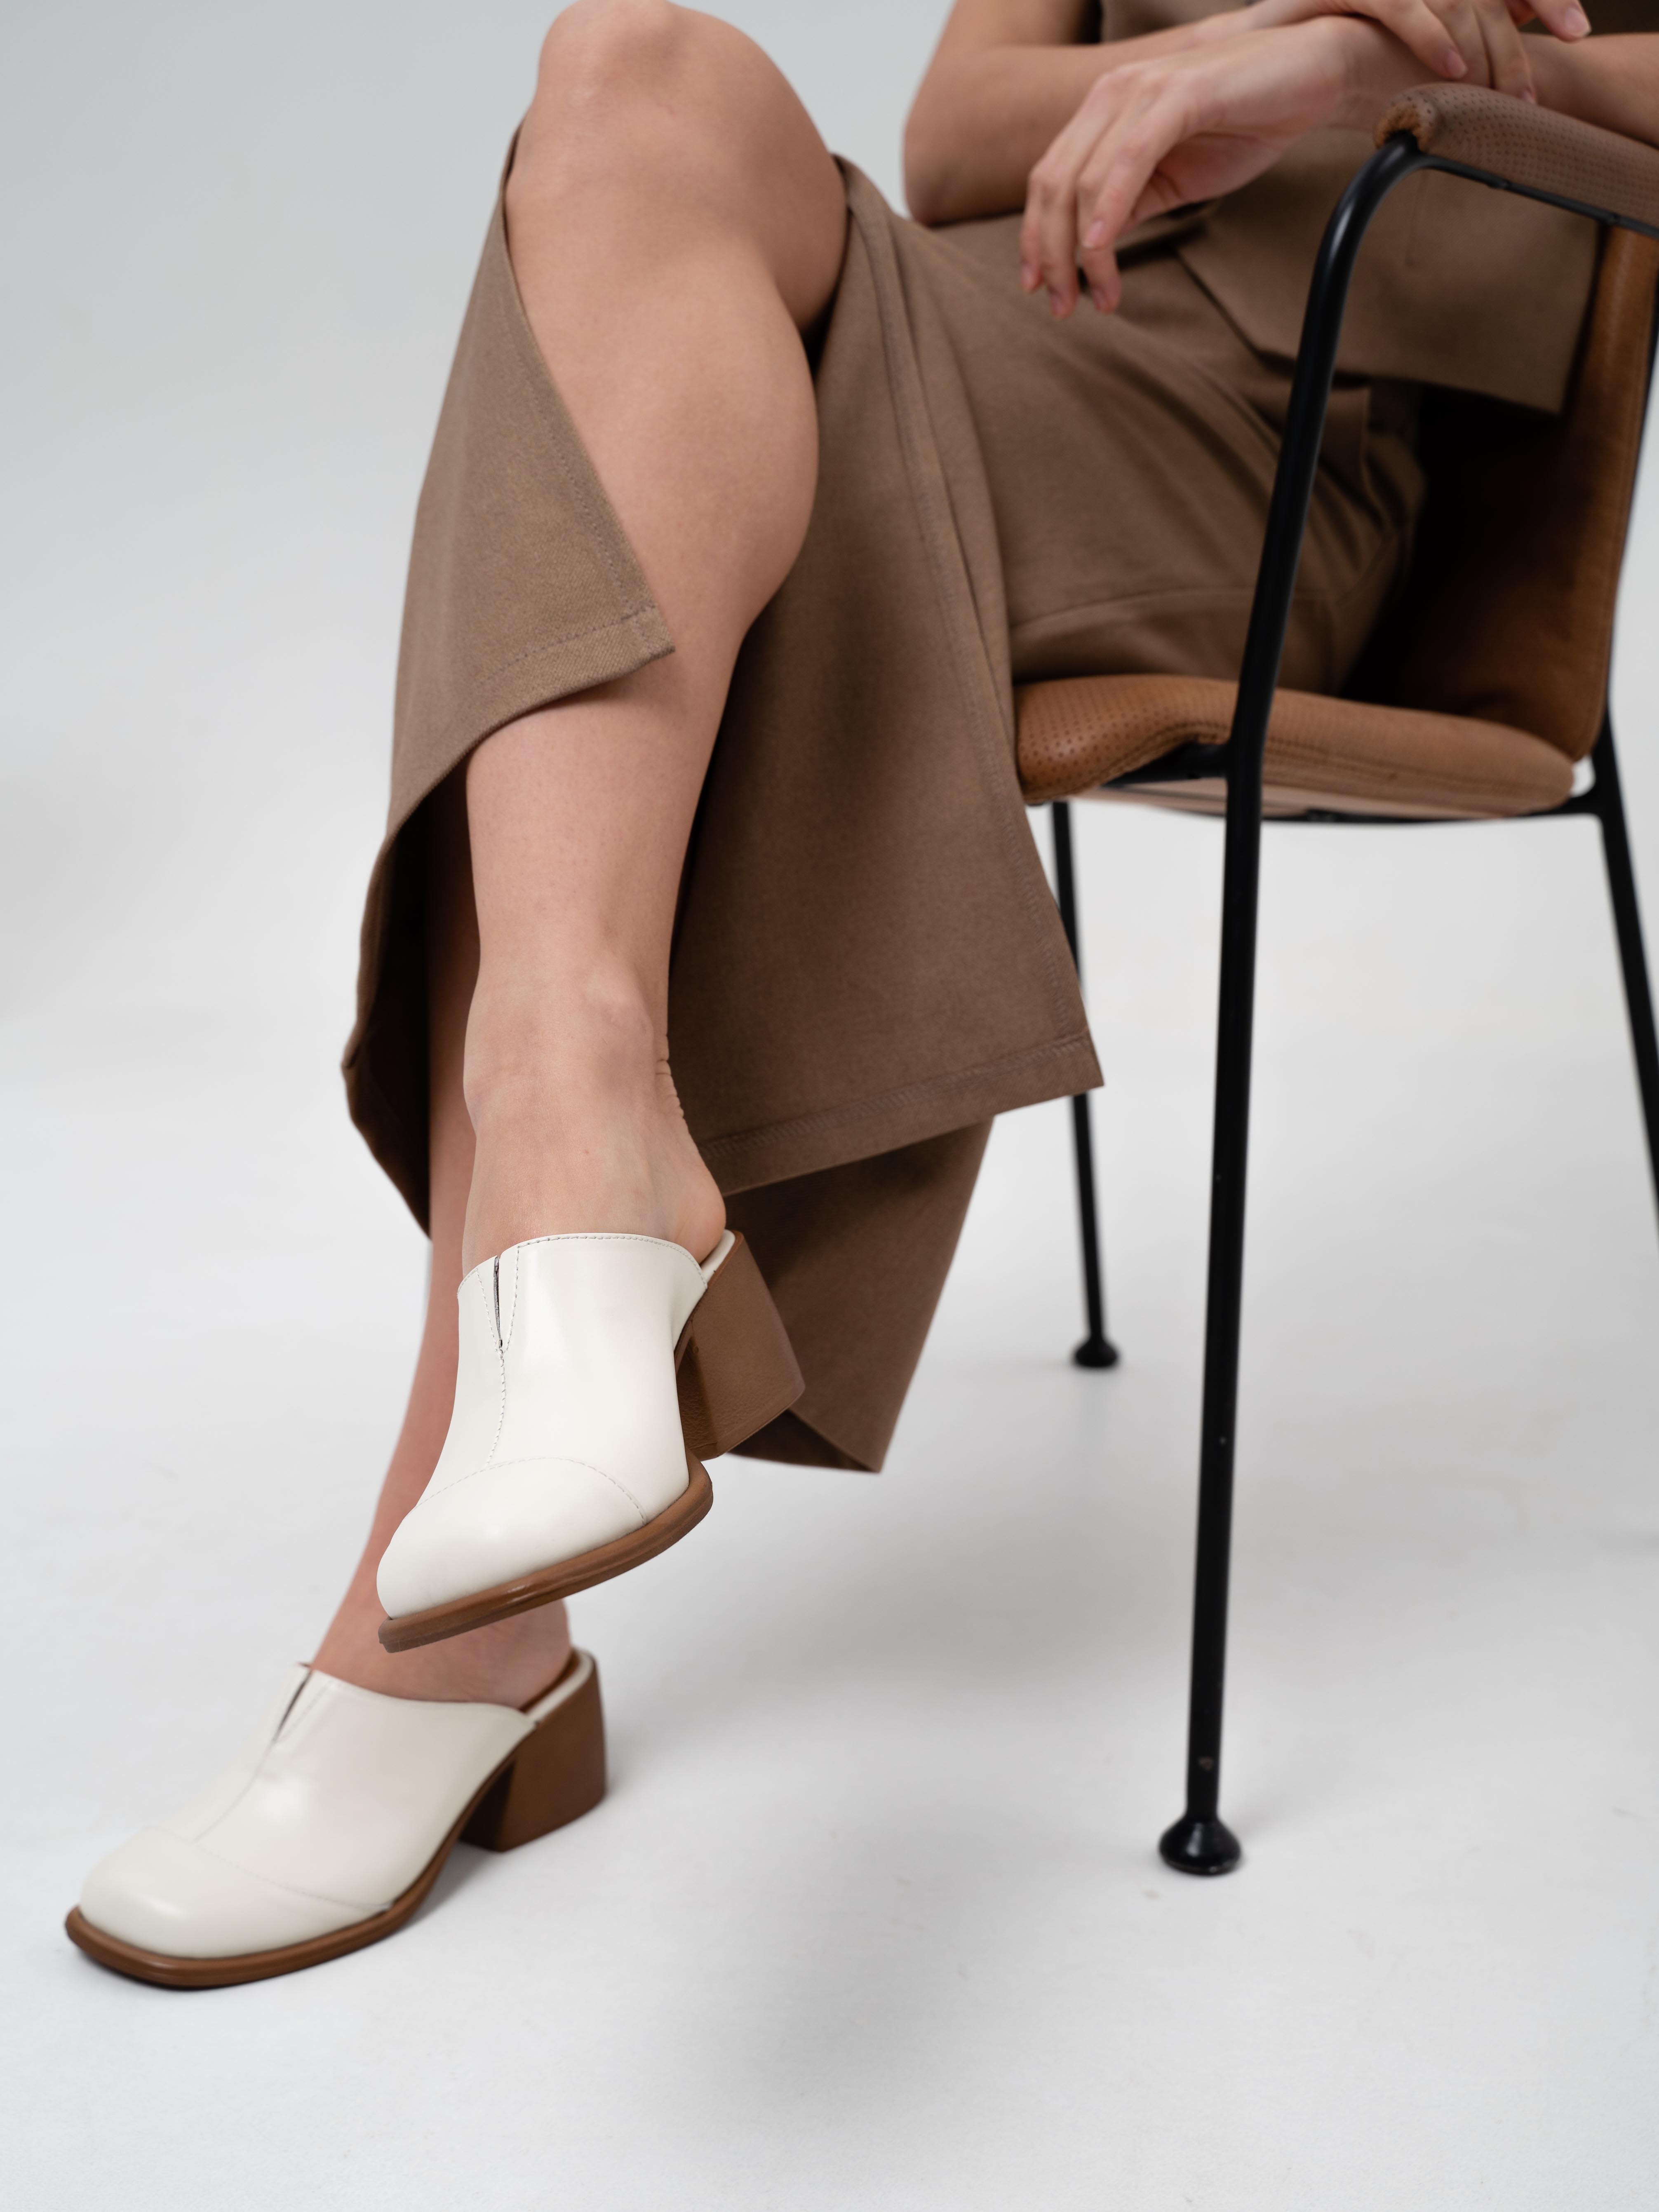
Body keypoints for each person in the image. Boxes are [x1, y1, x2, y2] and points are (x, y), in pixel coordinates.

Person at [66, 0, 1659, 1987]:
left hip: (1276, 457)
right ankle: (574, 1120)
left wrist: (1357, 69)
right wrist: (1210, 54)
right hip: (1011, 319)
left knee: (624, 495)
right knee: (631, 75)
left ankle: (465, 1598)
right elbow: (956, 134)